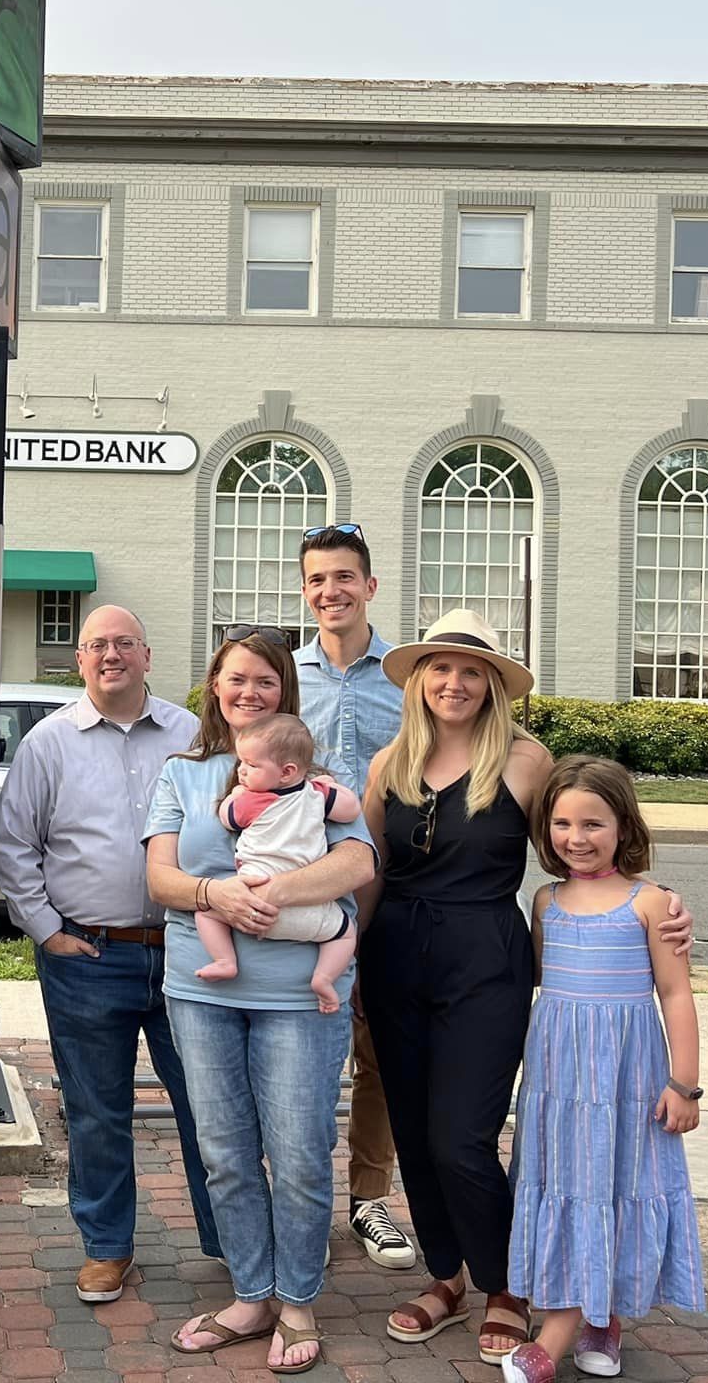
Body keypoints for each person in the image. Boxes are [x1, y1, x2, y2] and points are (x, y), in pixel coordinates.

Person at [360, 610, 693, 1366]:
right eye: (440, 669)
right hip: (395, 955)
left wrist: (657, 905)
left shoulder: (525, 760)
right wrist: (350, 960)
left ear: (493, 685)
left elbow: (584, 843)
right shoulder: (389, 763)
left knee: (463, 1137)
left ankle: (506, 1286)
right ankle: (445, 1278)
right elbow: (371, 868)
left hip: (486, 956)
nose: (455, 682)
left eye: (471, 670)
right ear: (418, 680)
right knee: (413, 1129)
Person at [146, 627, 379, 1376]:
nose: (248, 692)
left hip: (297, 997)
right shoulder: (183, 774)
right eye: (235, 678)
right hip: (201, 990)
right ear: (214, 684)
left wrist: (270, 896)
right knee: (224, 1152)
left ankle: (299, 1298)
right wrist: (217, 895)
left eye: (265, 682)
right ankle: (251, 1293)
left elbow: (356, 861)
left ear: (286, 690)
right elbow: (162, 879)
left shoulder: (315, 774)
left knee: (302, 1149)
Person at [0, 603, 223, 1303]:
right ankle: (107, 1248)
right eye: (96, 645)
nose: (111, 654)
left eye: (125, 642)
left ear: (148, 656)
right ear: (80, 660)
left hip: (188, 950)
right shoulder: (49, 743)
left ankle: (235, 1242)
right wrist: (45, 930)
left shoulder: (195, 737)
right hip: (88, 956)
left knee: (211, 1108)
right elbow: (14, 845)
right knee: (96, 1112)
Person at [502, 756, 704, 1383]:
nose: (577, 838)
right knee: (566, 1185)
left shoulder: (652, 902)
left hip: (626, 1080)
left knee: (614, 1185)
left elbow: (675, 994)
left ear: (624, 825)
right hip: (557, 1081)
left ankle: (572, 1332)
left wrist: (684, 1083)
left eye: (593, 823)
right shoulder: (546, 901)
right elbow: (538, 979)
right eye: (562, 823)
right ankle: (587, 1315)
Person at [291, 523, 411, 1270]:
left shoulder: (407, 680)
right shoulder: (283, 675)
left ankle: (370, 1198)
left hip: (394, 893)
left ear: (370, 586)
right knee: (300, 1051)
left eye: (343, 578)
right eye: (316, 581)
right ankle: (301, 1204)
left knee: (380, 1055)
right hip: (305, 894)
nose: (330, 592)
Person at [196, 714, 362, 995]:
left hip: (252, 903)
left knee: (207, 913)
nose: (242, 771)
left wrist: (235, 795)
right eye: (241, 763)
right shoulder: (317, 794)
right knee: (345, 933)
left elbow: (228, 818)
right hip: (310, 909)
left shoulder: (253, 799)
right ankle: (323, 978)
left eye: (251, 764)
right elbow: (351, 810)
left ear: (286, 772)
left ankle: (225, 960)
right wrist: (329, 786)